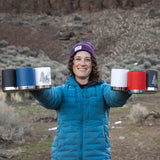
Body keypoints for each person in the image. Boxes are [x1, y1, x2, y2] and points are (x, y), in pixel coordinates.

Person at [30, 42, 131, 160]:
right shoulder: (62, 91)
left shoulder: (103, 89)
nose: (82, 63)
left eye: (87, 59)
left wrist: (124, 89)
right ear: (72, 63)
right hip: (64, 156)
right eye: (78, 59)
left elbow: (116, 99)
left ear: (92, 64)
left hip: (97, 156)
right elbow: (49, 98)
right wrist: (37, 89)